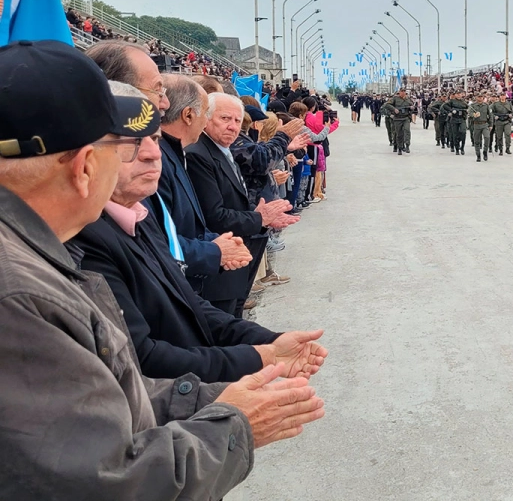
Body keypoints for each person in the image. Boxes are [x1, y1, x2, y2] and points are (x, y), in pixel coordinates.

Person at [0, 40, 323, 499]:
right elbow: (102, 479)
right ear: (85, 167)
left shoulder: (45, 250)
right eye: (128, 147)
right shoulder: (22, 293)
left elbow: (121, 386)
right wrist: (237, 423)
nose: (151, 156)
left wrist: (250, 368)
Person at [186, 94, 298, 317]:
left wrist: (263, 219)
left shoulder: (222, 150)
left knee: (235, 315)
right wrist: (259, 218)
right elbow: (214, 216)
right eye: (225, 118)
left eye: (237, 120)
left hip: (235, 258)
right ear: (205, 118)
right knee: (224, 323)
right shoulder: (199, 154)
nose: (232, 126)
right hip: (219, 264)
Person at [155, 75, 252, 294]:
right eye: (207, 113)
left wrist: (216, 242)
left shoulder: (176, 153)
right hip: (178, 282)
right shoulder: (165, 157)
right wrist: (215, 250)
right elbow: (159, 238)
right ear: (189, 115)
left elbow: (187, 223)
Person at [387, 88, 414, 155]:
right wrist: (394, 109)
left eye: (404, 91)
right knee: (399, 134)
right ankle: (399, 148)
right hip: (397, 119)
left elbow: (412, 106)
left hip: (406, 118)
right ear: (399, 92)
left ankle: (407, 145)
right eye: (402, 91)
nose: (403, 92)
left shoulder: (408, 99)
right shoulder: (395, 98)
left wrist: (412, 107)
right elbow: (387, 105)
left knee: (407, 131)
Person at [469, 94, 493, 163]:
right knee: (476, 141)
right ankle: (478, 155)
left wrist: (491, 125)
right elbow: (470, 113)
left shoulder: (486, 105)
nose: (480, 98)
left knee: (487, 137)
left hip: (484, 124)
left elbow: (490, 115)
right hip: (476, 124)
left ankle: (485, 151)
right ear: (476, 97)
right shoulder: (473, 105)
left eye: (481, 97)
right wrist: (474, 115)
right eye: (478, 97)